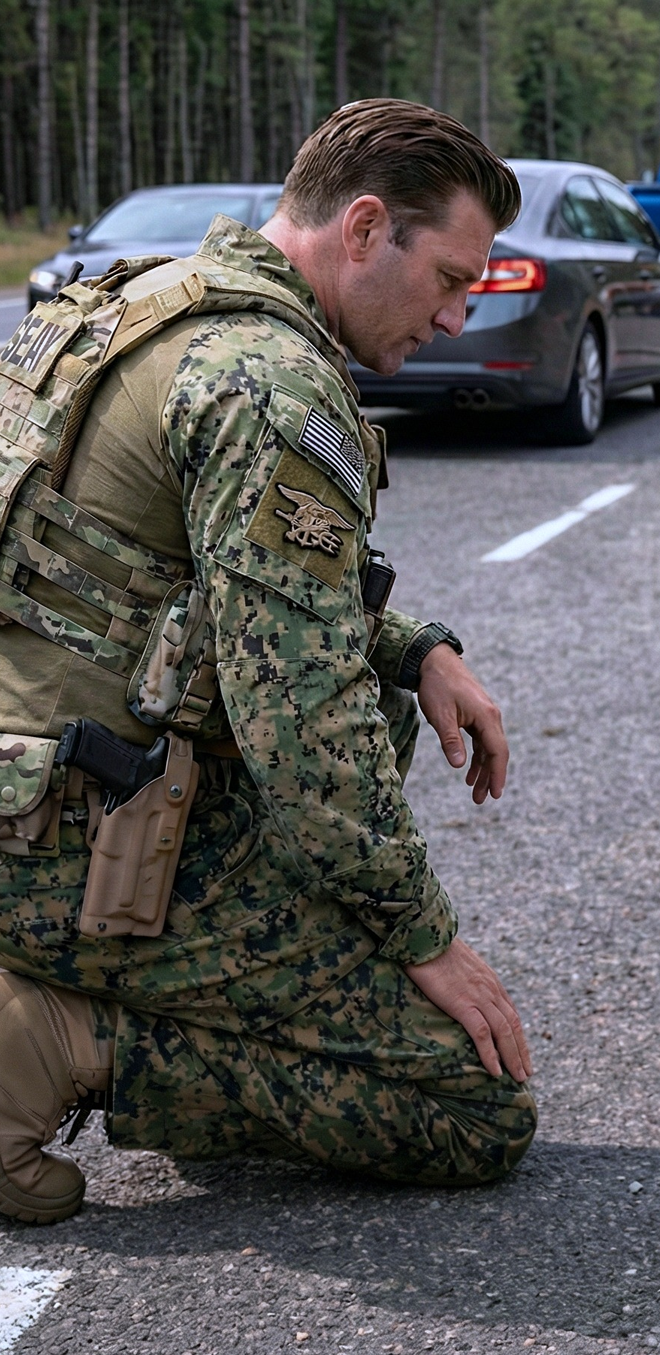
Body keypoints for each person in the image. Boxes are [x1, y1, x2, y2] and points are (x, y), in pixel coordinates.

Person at [0, 99, 535, 1225]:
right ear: (365, 228)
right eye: (448, 278)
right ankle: (50, 1039)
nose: (457, 315)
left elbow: (157, 577)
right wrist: (420, 935)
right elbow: (304, 724)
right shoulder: (272, 385)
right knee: (469, 1104)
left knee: (378, 700)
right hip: (58, 848)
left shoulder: (139, 306)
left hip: (25, 791)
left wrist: (417, 646)